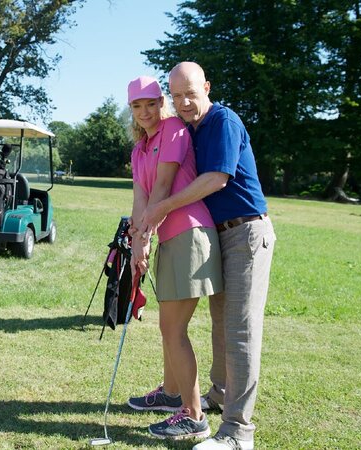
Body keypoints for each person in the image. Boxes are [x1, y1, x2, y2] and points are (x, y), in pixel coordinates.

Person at [142, 62, 276, 450]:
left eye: (190, 93)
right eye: (176, 96)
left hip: (246, 233)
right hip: (220, 234)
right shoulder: (192, 129)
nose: (184, 102)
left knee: (240, 331)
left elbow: (217, 178)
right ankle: (219, 394)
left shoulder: (222, 121)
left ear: (207, 88)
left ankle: (237, 432)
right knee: (222, 325)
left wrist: (162, 207)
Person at [124, 76, 223, 441]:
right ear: (131, 109)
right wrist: (136, 241)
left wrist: (145, 235)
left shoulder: (174, 130)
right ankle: (170, 394)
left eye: (151, 103)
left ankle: (194, 415)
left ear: (161, 102)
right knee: (168, 327)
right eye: (138, 106)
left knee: (172, 329)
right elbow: (140, 199)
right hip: (168, 237)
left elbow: (163, 188)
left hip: (190, 235)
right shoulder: (139, 149)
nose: (145, 111)